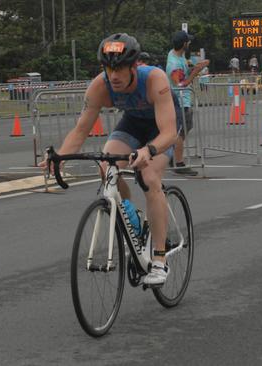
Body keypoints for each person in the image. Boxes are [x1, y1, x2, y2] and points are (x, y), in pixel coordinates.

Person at [40, 33, 180, 286]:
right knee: (106, 167)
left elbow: (169, 133)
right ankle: (131, 216)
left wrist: (148, 151)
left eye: (120, 68)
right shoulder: (99, 86)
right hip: (133, 123)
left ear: (134, 66)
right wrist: (60, 157)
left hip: (161, 128)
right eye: (108, 68)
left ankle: (159, 260)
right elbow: (81, 129)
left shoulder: (154, 79)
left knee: (149, 177)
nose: (113, 75)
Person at [166, 30, 209, 176]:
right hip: (180, 100)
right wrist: (196, 70)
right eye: (188, 41)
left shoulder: (176, 54)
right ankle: (179, 163)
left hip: (182, 100)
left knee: (185, 128)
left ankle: (173, 157)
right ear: (184, 44)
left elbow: (182, 74)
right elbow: (181, 84)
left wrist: (193, 67)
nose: (189, 43)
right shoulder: (174, 64)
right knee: (180, 132)